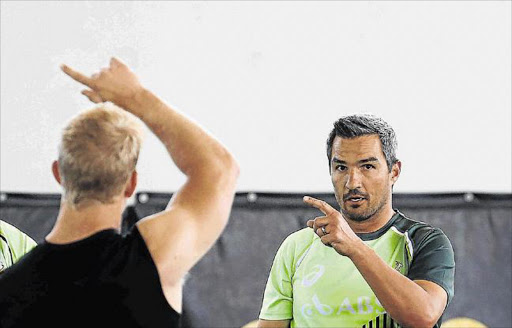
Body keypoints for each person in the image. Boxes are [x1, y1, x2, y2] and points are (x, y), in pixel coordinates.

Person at [0, 58, 239, 327]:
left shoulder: (8, 292)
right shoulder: (154, 259)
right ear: (131, 184)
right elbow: (219, 169)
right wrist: (134, 96)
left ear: (58, 174)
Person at [258, 115, 455, 328]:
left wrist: (353, 246)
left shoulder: (425, 242)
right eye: (341, 168)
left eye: (367, 166)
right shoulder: (297, 246)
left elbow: (422, 316)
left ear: (394, 172)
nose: (353, 182)